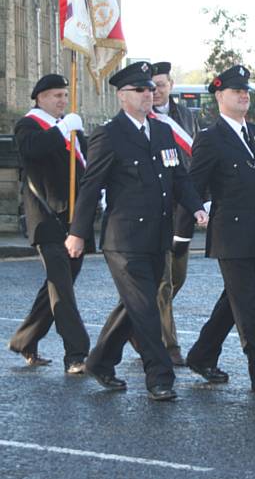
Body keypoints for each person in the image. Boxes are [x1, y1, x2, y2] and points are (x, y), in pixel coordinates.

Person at [65, 61, 207, 401]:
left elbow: (178, 177)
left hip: (157, 236)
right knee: (145, 306)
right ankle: (160, 375)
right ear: (122, 96)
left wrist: (197, 206)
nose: (149, 94)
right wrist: (77, 233)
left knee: (133, 306)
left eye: (150, 88)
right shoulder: (110, 134)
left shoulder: (160, 131)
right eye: (140, 90)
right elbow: (90, 186)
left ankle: (100, 361)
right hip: (124, 239)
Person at [176, 65, 255, 393]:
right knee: (247, 304)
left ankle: (202, 354)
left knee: (232, 300)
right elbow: (193, 185)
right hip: (230, 235)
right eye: (236, 91)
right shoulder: (211, 138)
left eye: (246, 91)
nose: (243, 96)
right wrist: (189, 223)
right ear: (220, 96)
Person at [8, 74, 90, 374]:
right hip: (46, 218)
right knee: (62, 288)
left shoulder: (69, 126)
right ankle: (77, 354)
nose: (62, 100)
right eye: (56, 95)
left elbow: (85, 163)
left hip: (75, 219)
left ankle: (24, 340)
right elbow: (33, 150)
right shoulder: (28, 125)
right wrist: (63, 130)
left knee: (57, 286)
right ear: (39, 97)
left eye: (64, 95)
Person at [151, 61, 199, 366]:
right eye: (151, 86)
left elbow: (198, 158)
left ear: (171, 85)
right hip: (156, 208)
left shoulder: (187, 117)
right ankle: (169, 345)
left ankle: (134, 319)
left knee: (177, 276)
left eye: (161, 85)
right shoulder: (144, 119)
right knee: (163, 281)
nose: (156, 91)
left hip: (184, 206)